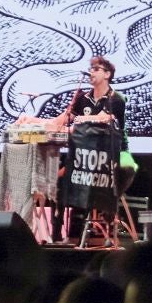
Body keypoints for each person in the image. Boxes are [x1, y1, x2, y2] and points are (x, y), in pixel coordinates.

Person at [53, 56, 127, 244]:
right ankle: (57, 236)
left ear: (107, 74)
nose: (91, 72)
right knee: (58, 178)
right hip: (81, 155)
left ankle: (103, 228)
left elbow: (103, 118)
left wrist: (82, 120)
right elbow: (62, 120)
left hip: (108, 157)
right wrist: (34, 122)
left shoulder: (115, 99)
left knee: (89, 179)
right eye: (91, 69)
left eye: (96, 69)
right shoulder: (82, 97)